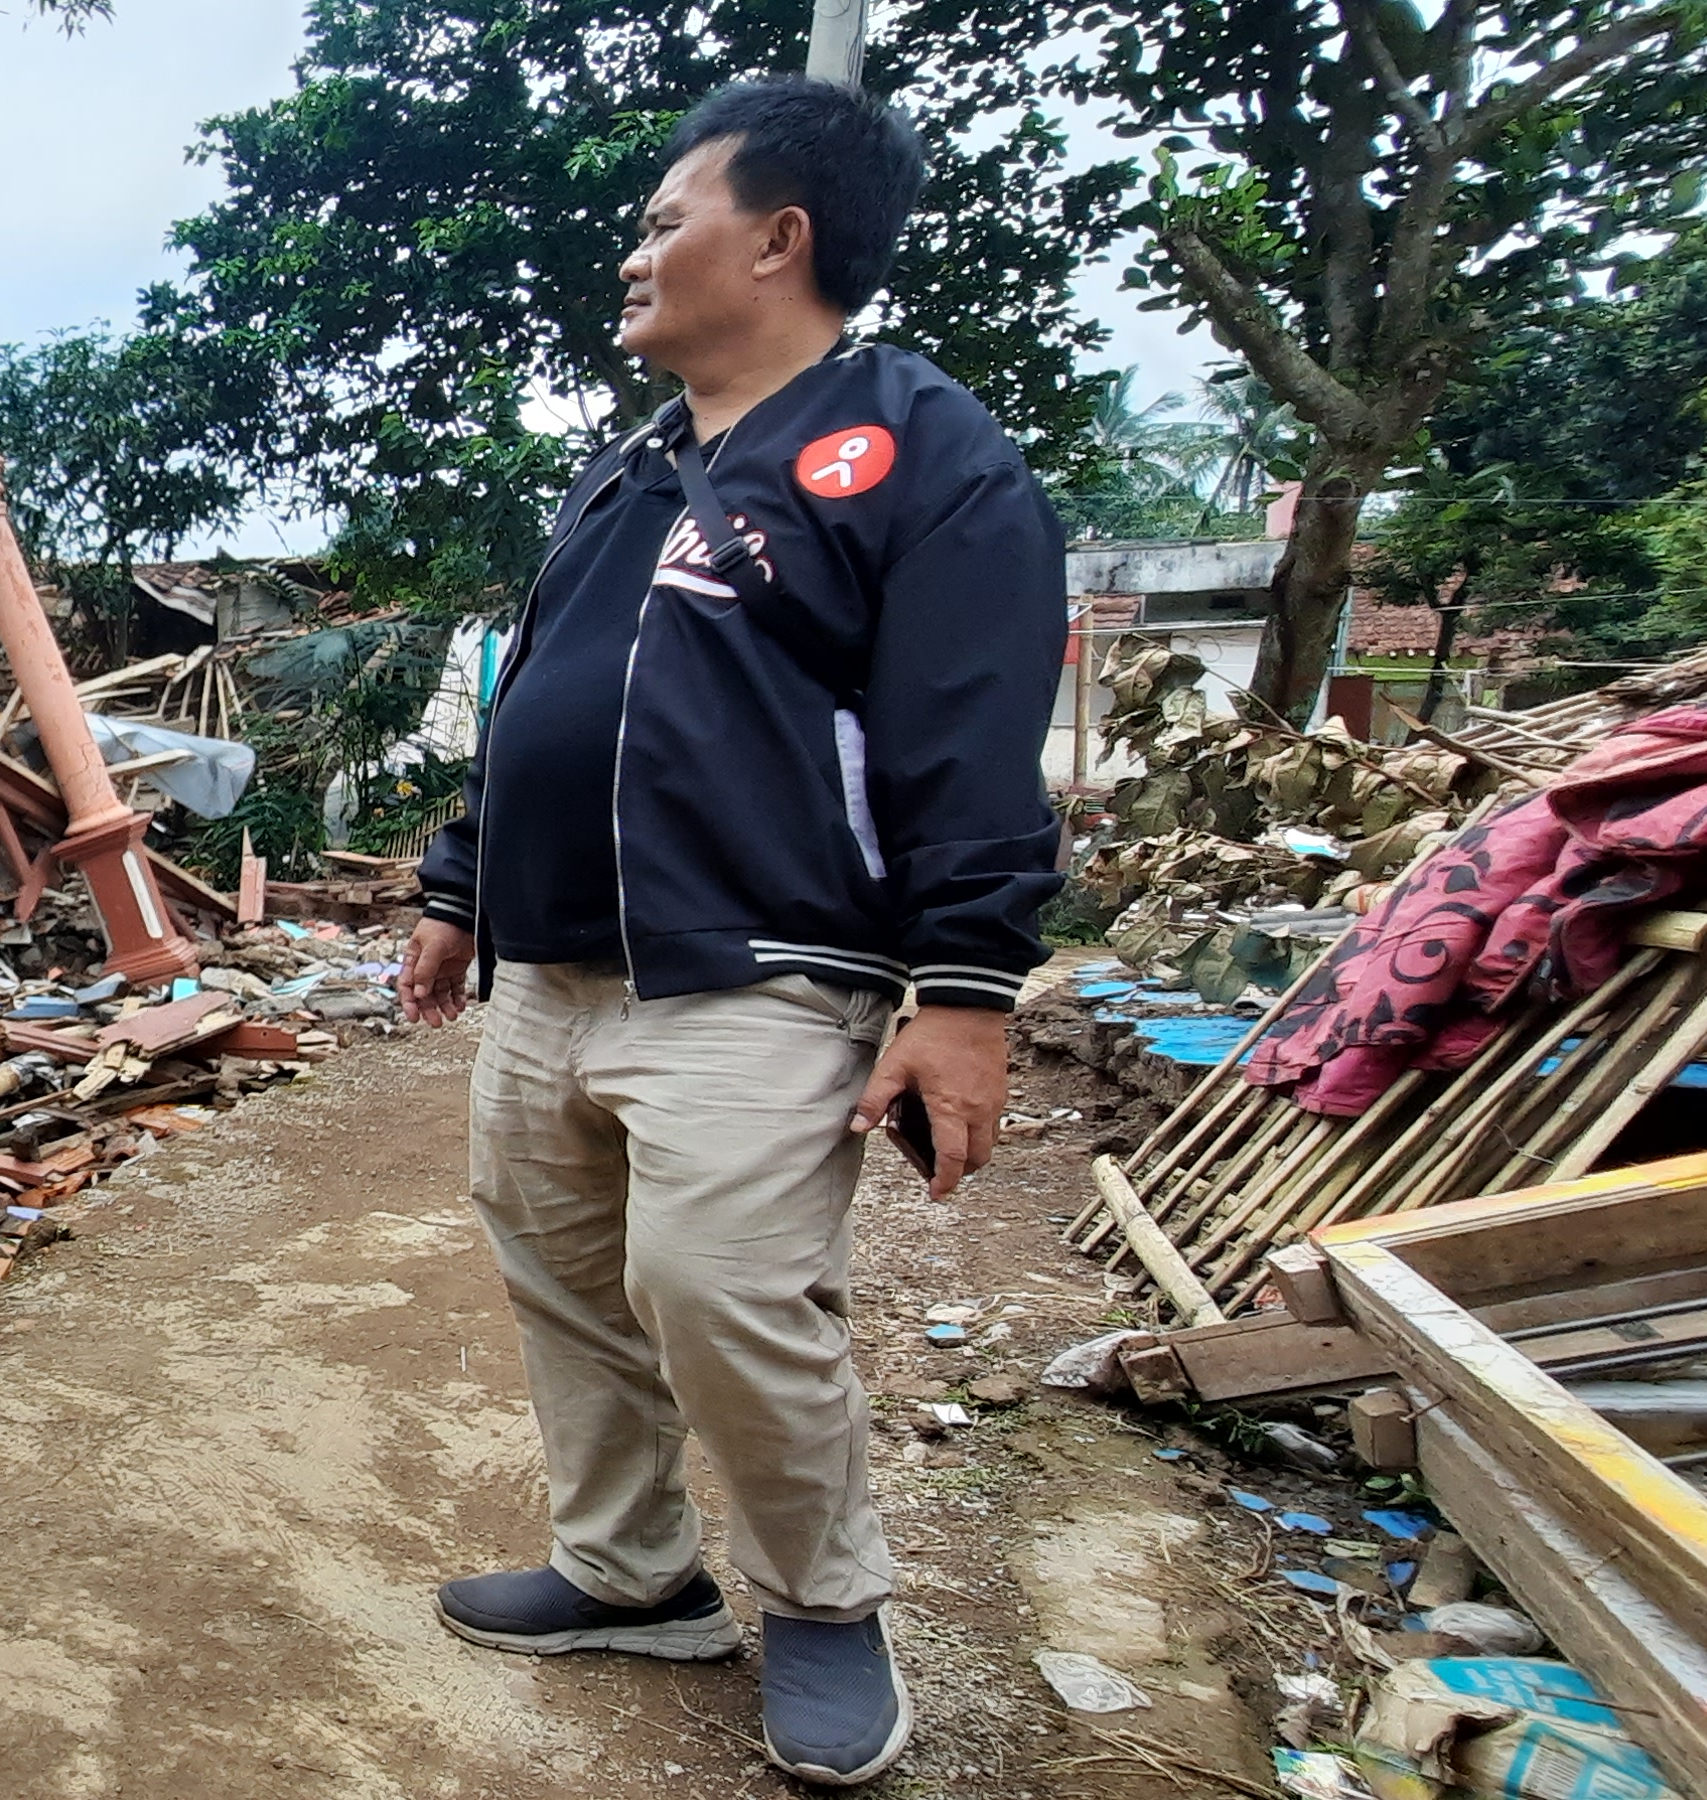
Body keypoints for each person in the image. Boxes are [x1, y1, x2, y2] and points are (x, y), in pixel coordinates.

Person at [396, 76, 1064, 1788]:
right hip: (556, 966)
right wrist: (466, 888)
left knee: (724, 1288)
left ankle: (827, 1608)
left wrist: (966, 985)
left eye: (663, 218)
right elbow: (543, 691)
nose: (633, 253)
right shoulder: (628, 471)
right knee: (561, 1271)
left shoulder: (920, 449)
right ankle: (633, 1575)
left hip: (761, 967)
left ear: (779, 239)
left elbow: (968, 732)